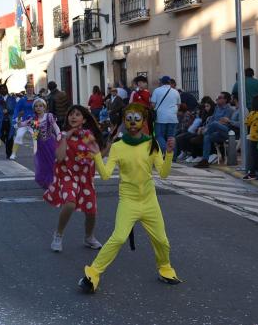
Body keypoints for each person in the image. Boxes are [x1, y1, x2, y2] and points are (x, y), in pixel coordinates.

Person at [78, 103, 180, 293]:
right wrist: (97, 157)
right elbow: (106, 175)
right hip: (129, 201)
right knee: (117, 238)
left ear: (144, 121)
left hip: (150, 201)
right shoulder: (118, 146)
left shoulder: (152, 144)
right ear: (124, 121)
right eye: (129, 119)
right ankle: (92, 274)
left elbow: (164, 174)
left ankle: (165, 268)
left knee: (162, 241)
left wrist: (169, 154)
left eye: (137, 119)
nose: (132, 123)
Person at [43, 105, 104, 252]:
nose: (73, 117)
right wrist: (65, 137)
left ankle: (89, 237)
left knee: (91, 209)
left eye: (77, 114)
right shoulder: (61, 135)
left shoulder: (88, 136)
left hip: (85, 176)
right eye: (71, 114)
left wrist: (110, 144)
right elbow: (60, 157)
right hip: (67, 175)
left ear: (83, 119)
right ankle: (58, 235)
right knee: (70, 203)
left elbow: (97, 154)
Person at [194, 92, 234, 168]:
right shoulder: (217, 108)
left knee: (215, 124)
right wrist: (205, 127)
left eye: (219, 97)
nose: (217, 99)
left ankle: (203, 133)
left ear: (225, 100)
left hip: (227, 132)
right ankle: (205, 160)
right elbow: (211, 120)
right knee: (207, 137)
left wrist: (207, 129)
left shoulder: (229, 109)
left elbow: (224, 122)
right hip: (217, 132)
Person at [31, 98, 61, 189]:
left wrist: (59, 135)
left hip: (50, 142)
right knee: (43, 164)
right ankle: (48, 183)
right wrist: (35, 146)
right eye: (36, 106)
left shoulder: (49, 116)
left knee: (53, 162)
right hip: (40, 145)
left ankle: (56, 181)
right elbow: (35, 134)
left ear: (44, 107)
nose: (38, 108)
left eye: (40, 106)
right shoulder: (34, 119)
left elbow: (56, 127)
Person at [150, 76, 181, 154]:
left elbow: (153, 105)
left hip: (160, 118)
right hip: (173, 118)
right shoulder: (175, 91)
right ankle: (173, 156)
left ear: (161, 82)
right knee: (171, 138)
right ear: (169, 82)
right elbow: (178, 105)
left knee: (159, 136)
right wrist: (173, 112)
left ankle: (167, 151)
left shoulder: (157, 91)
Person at [243, 96, 258, 180]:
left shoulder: (253, 113)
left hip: (253, 138)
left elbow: (246, 122)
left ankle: (252, 172)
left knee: (253, 156)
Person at [11, 83, 36, 160]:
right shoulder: (22, 100)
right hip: (24, 122)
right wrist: (15, 119)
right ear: (26, 89)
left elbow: (43, 108)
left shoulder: (37, 99)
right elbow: (16, 109)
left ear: (33, 88)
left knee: (36, 138)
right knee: (18, 136)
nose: (30, 89)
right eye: (28, 87)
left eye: (31, 87)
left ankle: (36, 154)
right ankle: (13, 154)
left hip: (35, 122)